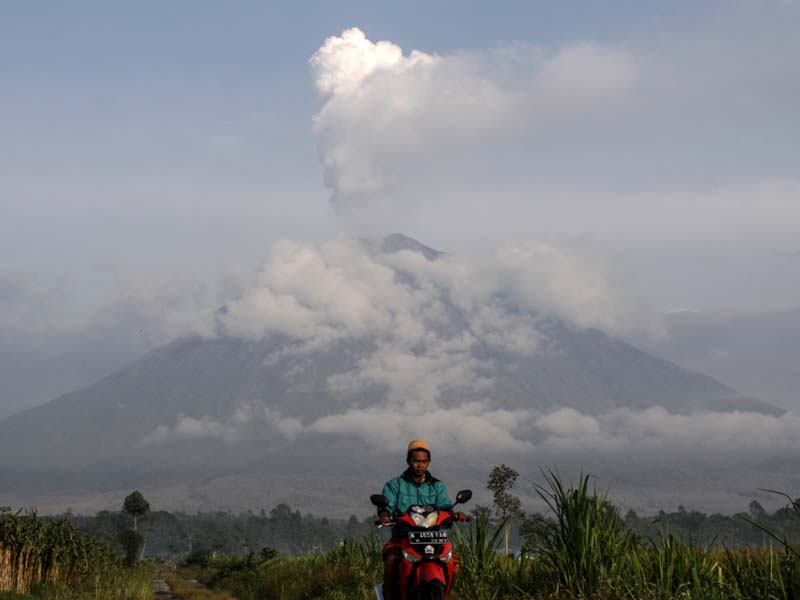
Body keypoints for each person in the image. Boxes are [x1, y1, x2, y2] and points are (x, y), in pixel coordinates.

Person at [378, 439, 467, 600]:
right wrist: (384, 515)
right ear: (408, 461)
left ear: (429, 462)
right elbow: (386, 505)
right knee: (391, 561)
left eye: (424, 461)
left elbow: (446, 507)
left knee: (454, 566)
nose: (420, 465)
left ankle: (444, 596)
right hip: (404, 537)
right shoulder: (395, 485)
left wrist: (455, 514)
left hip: (434, 537)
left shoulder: (437, 486)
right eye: (416, 461)